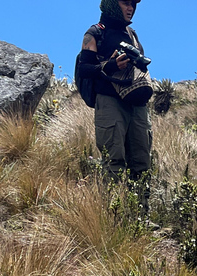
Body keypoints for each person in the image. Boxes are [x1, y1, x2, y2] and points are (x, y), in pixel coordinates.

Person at [79, 0, 152, 205]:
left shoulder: (132, 35)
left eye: (133, 4)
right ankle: (115, 214)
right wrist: (110, 65)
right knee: (114, 160)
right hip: (109, 101)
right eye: (125, 3)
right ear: (111, 3)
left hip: (137, 104)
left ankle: (141, 215)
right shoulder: (95, 33)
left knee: (142, 162)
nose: (130, 8)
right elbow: (84, 68)